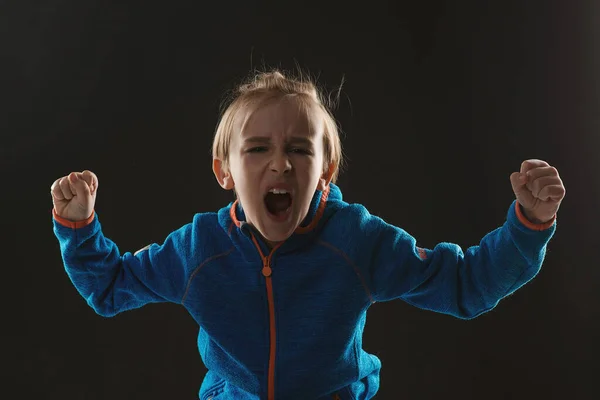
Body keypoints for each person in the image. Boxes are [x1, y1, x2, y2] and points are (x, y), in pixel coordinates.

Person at [50, 70, 566, 400]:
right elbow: (111, 287)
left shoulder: (357, 241)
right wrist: (79, 229)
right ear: (223, 171)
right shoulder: (198, 250)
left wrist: (527, 225)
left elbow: (464, 285)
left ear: (327, 170)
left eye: (300, 149)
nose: (280, 163)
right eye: (256, 150)